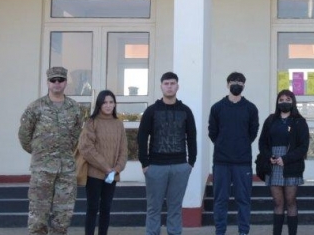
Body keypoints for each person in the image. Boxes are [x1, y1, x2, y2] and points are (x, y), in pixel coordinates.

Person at [18, 66, 84, 235]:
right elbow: (25, 135)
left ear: (65, 83)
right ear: (47, 82)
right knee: (38, 215)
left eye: (60, 80)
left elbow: (76, 134)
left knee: (63, 215)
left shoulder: (74, 108)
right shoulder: (36, 107)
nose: (57, 84)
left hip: (66, 170)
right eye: (53, 80)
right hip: (42, 169)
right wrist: (40, 153)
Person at [137, 72, 198, 235]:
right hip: (155, 167)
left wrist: (190, 163)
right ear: (161, 86)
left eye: (172, 83)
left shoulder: (186, 111)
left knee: (175, 208)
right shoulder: (151, 111)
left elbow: (192, 137)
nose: (169, 86)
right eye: (166, 83)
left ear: (177, 86)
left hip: (180, 166)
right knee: (153, 208)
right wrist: (145, 164)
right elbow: (142, 138)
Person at [208, 72, 260, 235]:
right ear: (227, 84)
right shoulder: (217, 107)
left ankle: (243, 231)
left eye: (240, 82)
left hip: (243, 162)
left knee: (244, 200)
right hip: (221, 162)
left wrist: (241, 144)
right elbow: (212, 132)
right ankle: (220, 231)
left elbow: (253, 132)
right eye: (233, 81)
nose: (236, 84)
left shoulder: (251, 108)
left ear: (244, 85)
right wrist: (224, 144)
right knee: (220, 201)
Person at [257, 89, 309, 235]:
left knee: (291, 201)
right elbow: (262, 143)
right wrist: (269, 156)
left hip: (291, 164)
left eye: (288, 99)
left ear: (293, 102)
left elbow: (303, 146)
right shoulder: (270, 120)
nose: (284, 102)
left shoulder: (299, 121)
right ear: (277, 102)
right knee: (278, 203)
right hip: (273, 165)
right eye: (281, 100)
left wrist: (285, 159)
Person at [79, 90, 128, 235]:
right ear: (99, 104)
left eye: (111, 102)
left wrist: (116, 169)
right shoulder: (91, 122)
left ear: (114, 104)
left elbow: (123, 150)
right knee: (92, 208)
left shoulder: (118, 124)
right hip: (94, 174)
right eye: (104, 102)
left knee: (106, 209)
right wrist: (106, 167)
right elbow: (86, 148)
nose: (108, 105)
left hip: (111, 175)